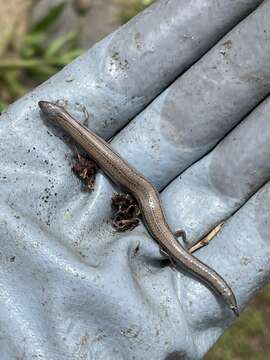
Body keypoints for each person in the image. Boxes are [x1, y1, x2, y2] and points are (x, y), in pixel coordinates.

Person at [0, 0, 269, 359]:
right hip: (155, 215)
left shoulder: (67, 125)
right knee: (167, 233)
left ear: (57, 116)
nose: (47, 112)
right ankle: (221, 290)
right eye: (52, 114)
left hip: (155, 215)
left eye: (51, 113)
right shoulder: (67, 122)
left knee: (164, 231)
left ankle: (225, 292)